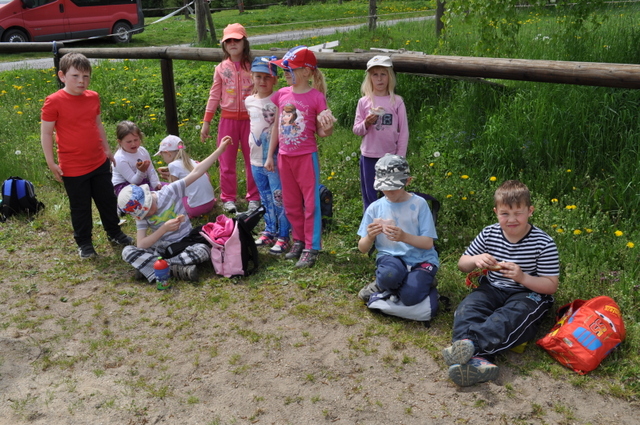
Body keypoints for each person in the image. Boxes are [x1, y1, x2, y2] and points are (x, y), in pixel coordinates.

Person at [443, 180, 559, 387]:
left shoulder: (543, 242)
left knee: (508, 318)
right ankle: (475, 358)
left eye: (518, 213)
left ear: (530, 211)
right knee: (468, 309)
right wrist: (476, 260)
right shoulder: (489, 233)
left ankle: (470, 348)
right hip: (492, 287)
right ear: (496, 212)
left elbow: (550, 286)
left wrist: (522, 277)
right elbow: (462, 264)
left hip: (528, 293)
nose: (511, 219)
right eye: (505, 213)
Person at [41, 52, 133, 259]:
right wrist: (51, 162)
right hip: (73, 167)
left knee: (107, 200)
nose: (81, 81)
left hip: (98, 161)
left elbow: (98, 124)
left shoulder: (93, 97)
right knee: (80, 207)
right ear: (62, 76)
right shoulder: (53, 101)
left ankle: (114, 232)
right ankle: (84, 243)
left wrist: (107, 149)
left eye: (86, 76)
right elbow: (46, 133)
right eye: (75, 76)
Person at [117, 136, 232, 283]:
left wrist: (220, 149)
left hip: (186, 243)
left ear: (149, 196)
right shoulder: (141, 215)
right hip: (164, 247)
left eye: (149, 209)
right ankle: (175, 269)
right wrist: (163, 229)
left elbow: (197, 172)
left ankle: (155, 267)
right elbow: (141, 244)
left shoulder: (169, 191)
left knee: (203, 250)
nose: (149, 214)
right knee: (127, 251)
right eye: (144, 214)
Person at [266, 46, 336, 268]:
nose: (285, 73)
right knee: (291, 203)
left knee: (311, 203)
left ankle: (311, 247)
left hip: (306, 157)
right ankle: (298, 240)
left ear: (306, 71)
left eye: (290, 69)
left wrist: (329, 127)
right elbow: (276, 127)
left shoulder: (316, 97)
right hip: (284, 157)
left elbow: (322, 132)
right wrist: (269, 155)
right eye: (284, 69)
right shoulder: (282, 94)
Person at [356, 154, 439, 308]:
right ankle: (389, 283)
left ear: (408, 181)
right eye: (385, 187)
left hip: (421, 259)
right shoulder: (375, 208)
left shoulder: (419, 204)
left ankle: (419, 282)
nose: (390, 191)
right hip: (390, 257)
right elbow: (362, 248)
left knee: (410, 297)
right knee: (389, 276)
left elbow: (428, 243)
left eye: (394, 187)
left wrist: (404, 237)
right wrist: (370, 237)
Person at [200, 23, 259, 215]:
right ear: (224, 45)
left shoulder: (254, 66)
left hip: (252, 121)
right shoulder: (221, 68)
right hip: (228, 120)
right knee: (226, 160)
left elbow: (263, 90)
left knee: (253, 159)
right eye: (228, 41)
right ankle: (228, 198)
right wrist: (206, 122)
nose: (233, 43)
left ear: (244, 42)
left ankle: (254, 197)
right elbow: (214, 95)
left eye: (236, 40)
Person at [245, 56, 292, 254]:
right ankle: (269, 230)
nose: (262, 81)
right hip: (255, 158)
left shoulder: (278, 99)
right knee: (264, 196)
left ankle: (284, 235)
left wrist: (270, 155)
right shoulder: (249, 101)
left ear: (274, 79)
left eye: (267, 77)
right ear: (252, 77)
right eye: (258, 76)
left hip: (272, 159)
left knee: (278, 197)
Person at [353, 55, 409, 211]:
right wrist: (366, 123)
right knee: (370, 194)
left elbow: (404, 131)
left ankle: (391, 220)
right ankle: (371, 221)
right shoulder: (364, 102)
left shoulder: (397, 101)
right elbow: (356, 130)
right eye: (375, 74)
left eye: (383, 74)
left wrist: (400, 157)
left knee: (391, 193)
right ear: (369, 78)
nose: (379, 79)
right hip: (369, 156)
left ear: (390, 76)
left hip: (390, 157)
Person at [154, 134, 216, 219]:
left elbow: (175, 190)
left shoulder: (172, 165)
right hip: (210, 203)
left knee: (167, 194)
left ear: (168, 154)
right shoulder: (191, 161)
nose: (163, 159)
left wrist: (168, 178)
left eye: (162, 155)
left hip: (196, 209)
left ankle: (185, 213)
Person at [112, 120, 163, 196]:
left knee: (167, 189)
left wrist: (156, 184)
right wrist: (141, 171)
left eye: (136, 140)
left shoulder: (142, 151)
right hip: (125, 187)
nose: (133, 144)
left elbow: (151, 170)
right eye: (129, 142)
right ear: (120, 142)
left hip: (143, 183)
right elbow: (134, 181)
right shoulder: (119, 158)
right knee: (150, 198)